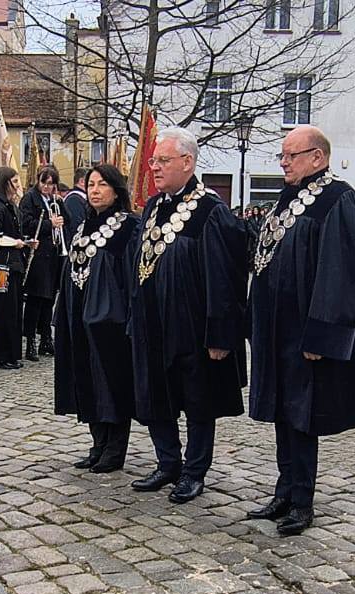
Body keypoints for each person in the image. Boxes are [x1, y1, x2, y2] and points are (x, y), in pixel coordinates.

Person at [245, 125, 355, 536]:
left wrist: (322, 334)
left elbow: (341, 271)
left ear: (318, 157)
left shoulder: (339, 200)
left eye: (291, 155)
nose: (283, 162)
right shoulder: (289, 199)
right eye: (282, 155)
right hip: (278, 329)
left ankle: (302, 500)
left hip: (305, 333)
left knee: (302, 414)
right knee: (283, 412)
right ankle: (284, 488)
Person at [129, 126, 248, 504]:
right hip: (153, 322)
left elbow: (225, 277)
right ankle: (168, 463)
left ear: (187, 161)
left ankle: (194, 471)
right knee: (155, 396)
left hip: (192, 325)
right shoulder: (153, 207)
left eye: (163, 160)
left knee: (198, 401)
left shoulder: (211, 210)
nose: (155, 168)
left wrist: (220, 334)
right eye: (153, 161)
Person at [55, 163, 139, 473]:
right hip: (80, 316)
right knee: (86, 379)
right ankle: (98, 443)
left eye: (102, 184)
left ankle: (115, 449)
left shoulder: (129, 228)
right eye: (90, 184)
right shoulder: (83, 228)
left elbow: (132, 277)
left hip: (112, 320)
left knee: (112, 382)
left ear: (116, 190)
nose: (95, 190)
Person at [0, 167, 36, 370]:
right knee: (6, 313)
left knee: (14, 312)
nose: (18, 184)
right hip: (5, 263)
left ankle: (12, 354)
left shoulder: (9, 206)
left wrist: (25, 242)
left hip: (14, 263)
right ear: (6, 183)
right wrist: (14, 243)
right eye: (14, 180)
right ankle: (3, 356)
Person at [20, 165, 67, 361]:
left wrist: (61, 205)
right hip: (38, 255)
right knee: (35, 300)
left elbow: (67, 221)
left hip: (53, 254)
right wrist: (50, 224)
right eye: (44, 183)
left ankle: (46, 339)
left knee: (49, 299)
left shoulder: (53, 200)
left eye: (51, 184)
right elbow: (27, 224)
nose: (47, 187)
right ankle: (30, 341)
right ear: (38, 181)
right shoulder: (30, 198)